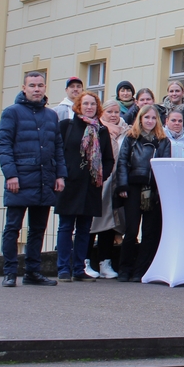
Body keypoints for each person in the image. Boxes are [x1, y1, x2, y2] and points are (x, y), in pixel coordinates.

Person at [0, 72, 66, 287]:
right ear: (24, 88)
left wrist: (60, 175)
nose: (37, 89)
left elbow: (57, 148)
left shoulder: (51, 115)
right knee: (12, 228)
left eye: (40, 85)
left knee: (38, 229)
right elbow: (3, 146)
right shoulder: (11, 113)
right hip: (19, 180)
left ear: (45, 88)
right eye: (32, 85)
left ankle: (33, 272)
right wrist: (11, 175)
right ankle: (9, 273)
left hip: (45, 180)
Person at [55, 92, 116, 282]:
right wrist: (61, 175)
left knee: (84, 229)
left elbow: (108, 159)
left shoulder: (102, 130)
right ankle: (63, 268)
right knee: (66, 227)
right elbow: (57, 154)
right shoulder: (66, 126)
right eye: (85, 103)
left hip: (91, 187)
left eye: (92, 104)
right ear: (78, 106)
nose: (89, 107)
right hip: (69, 184)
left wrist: (100, 177)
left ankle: (79, 268)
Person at [116, 105, 171, 282]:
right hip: (133, 187)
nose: (150, 121)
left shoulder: (164, 141)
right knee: (131, 230)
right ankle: (124, 268)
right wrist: (122, 186)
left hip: (152, 189)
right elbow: (122, 162)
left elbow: (164, 166)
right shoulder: (131, 138)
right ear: (140, 119)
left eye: (153, 118)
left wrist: (159, 191)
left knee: (149, 232)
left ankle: (141, 270)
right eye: (146, 117)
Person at [87, 99, 128, 279]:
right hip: (98, 181)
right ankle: (85, 260)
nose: (113, 115)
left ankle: (105, 261)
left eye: (116, 112)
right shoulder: (95, 129)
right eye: (109, 112)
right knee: (90, 222)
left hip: (117, 182)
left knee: (111, 223)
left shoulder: (126, 132)